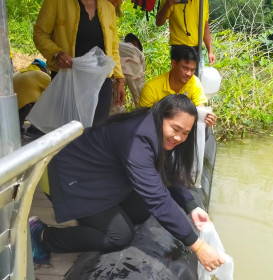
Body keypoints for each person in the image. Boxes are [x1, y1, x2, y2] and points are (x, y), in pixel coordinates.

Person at [29, 95, 225, 273]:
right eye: (175, 129)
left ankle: (93, 222)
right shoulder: (138, 138)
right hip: (71, 177)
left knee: (140, 209)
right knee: (119, 236)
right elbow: (158, 199)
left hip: (100, 177)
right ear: (161, 117)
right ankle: (42, 235)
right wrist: (197, 246)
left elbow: (166, 172)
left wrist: (191, 207)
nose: (179, 138)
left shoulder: (153, 129)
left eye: (185, 133)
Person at [33, 0, 126, 126]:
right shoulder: (57, 2)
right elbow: (40, 33)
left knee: (96, 133)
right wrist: (56, 53)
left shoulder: (108, 7)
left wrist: (119, 80)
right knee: (69, 133)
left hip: (100, 82)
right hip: (68, 79)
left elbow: (113, 48)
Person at [139, 45, 216, 127]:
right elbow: (142, 119)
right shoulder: (151, 88)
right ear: (173, 64)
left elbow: (200, 106)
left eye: (192, 70)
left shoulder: (194, 82)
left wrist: (206, 116)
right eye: (185, 68)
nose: (189, 74)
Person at [156, 0, 215, 74]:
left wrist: (210, 51)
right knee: (181, 82)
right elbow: (158, 22)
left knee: (197, 82)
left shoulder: (203, 1)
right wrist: (167, 5)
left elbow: (205, 27)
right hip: (179, 49)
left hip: (197, 50)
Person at [13, 59, 51, 133]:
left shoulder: (18, 73)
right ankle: (35, 128)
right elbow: (56, 89)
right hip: (26, 108)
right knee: (51, 99)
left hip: (12, 112)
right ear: (43, 68)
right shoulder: (40, 74)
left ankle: (17, 129)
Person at [110, 33, 146, 113]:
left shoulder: (117, 45)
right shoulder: (136, 50)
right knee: (141, 99)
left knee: (116, 101)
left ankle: (115, 121)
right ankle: (144, 119)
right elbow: (142, 73)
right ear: (135, 43)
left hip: (116, 73)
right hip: (134, 72)